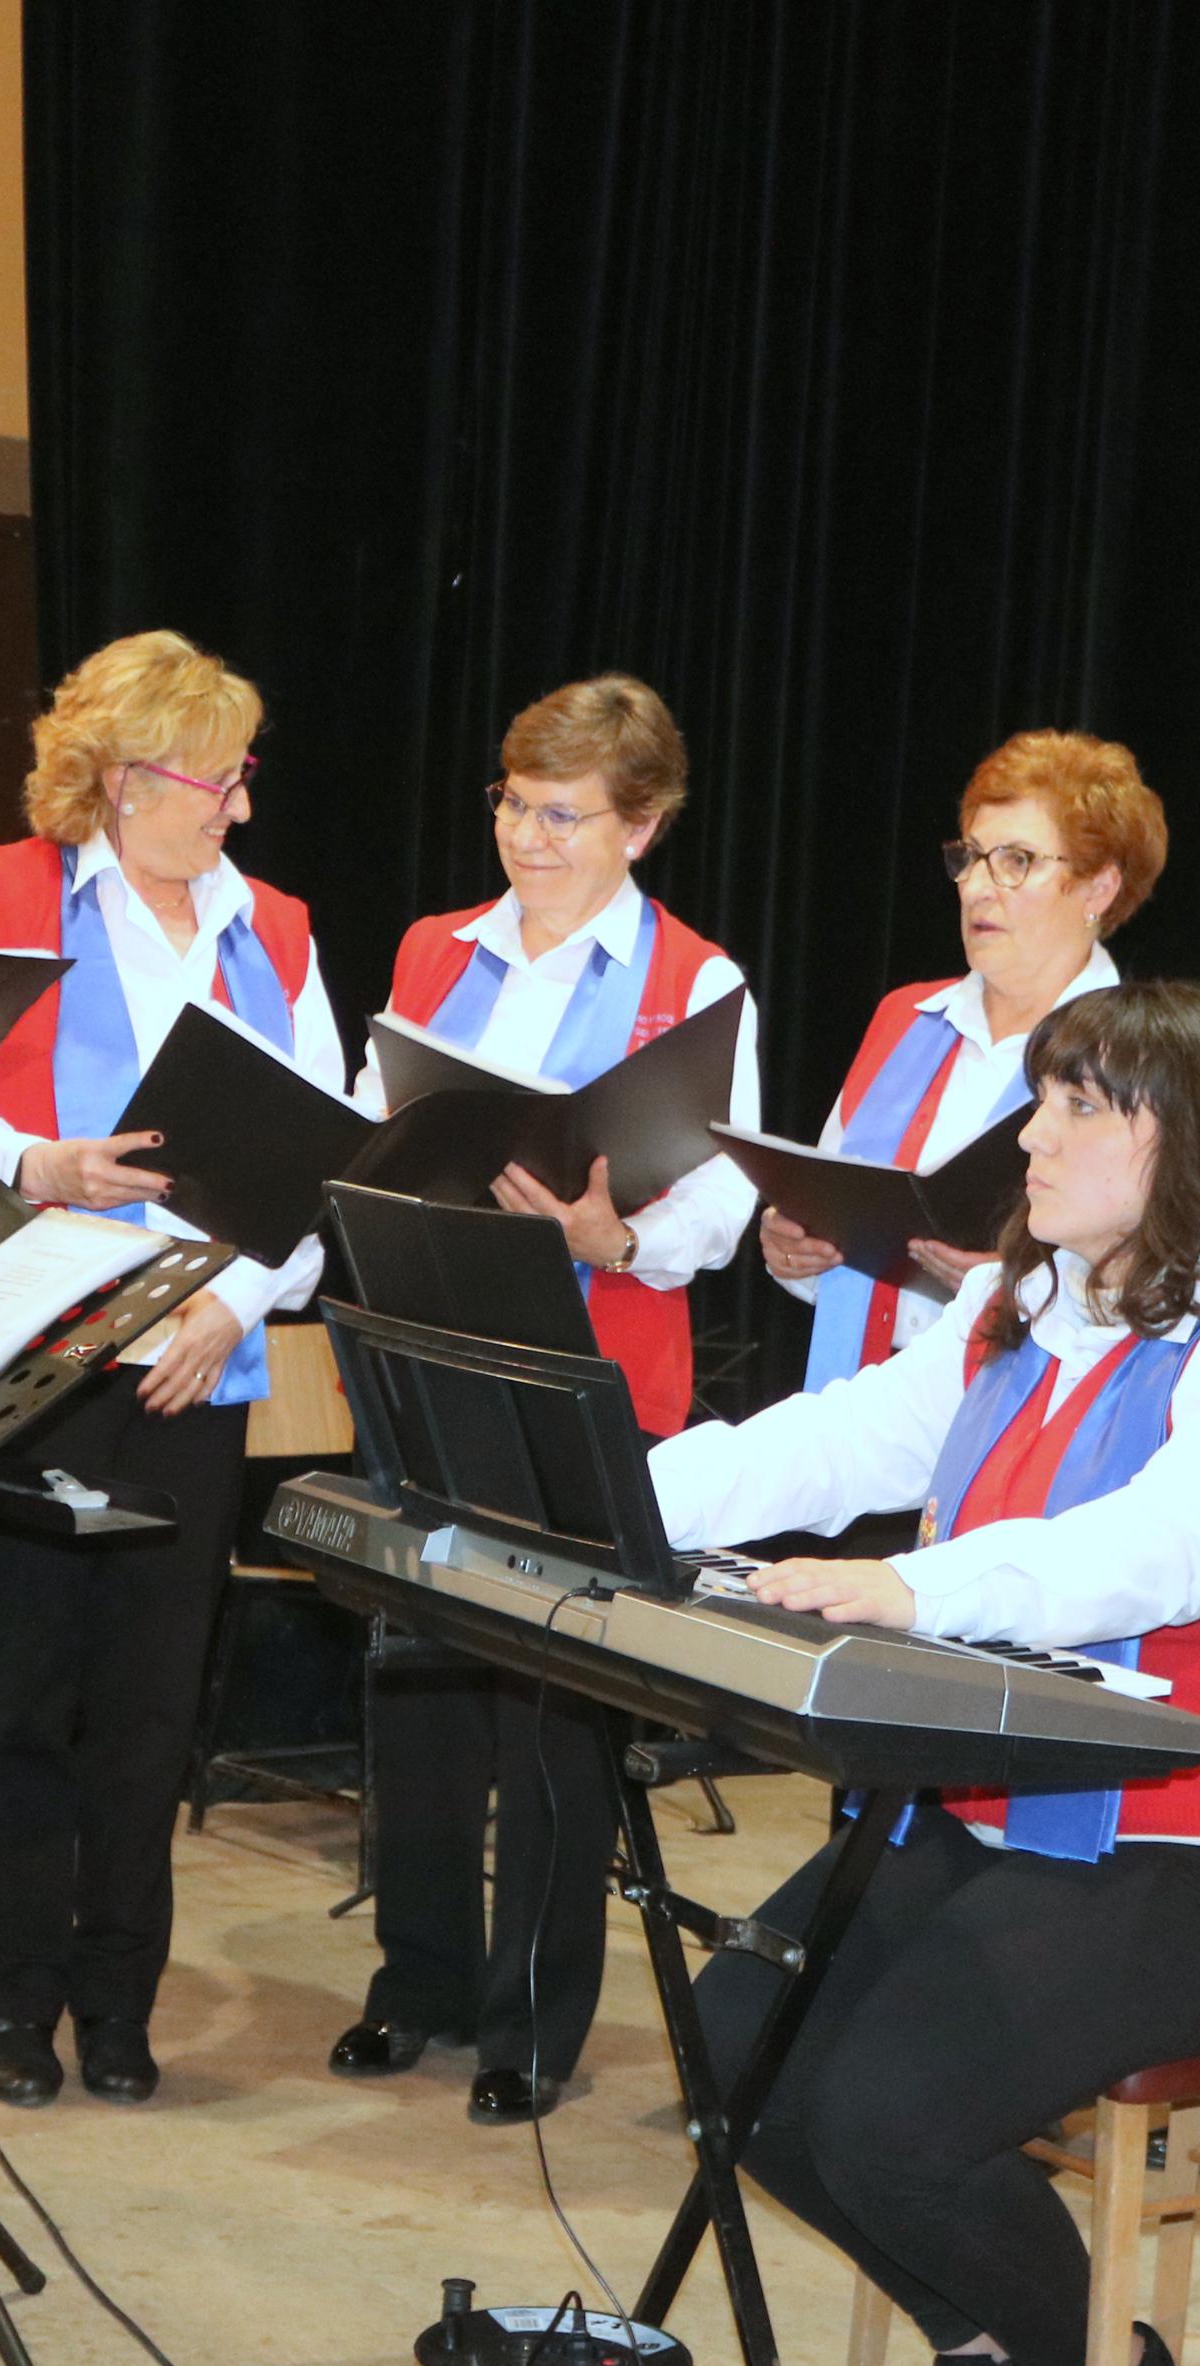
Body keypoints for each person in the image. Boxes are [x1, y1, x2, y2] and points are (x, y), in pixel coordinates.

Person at [654, 980, 1200, 2366]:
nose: (1027, 1137)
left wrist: (919, 1583)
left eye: (1072, 1106)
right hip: (992, 1815)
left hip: (1199, 1860)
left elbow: (1157, 1551)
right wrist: (606, 1490)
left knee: (885, 2116)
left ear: (1179, 1140)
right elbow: (835, 1437)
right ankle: (978, 2338)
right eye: (1037, 1097)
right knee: (736, 2043)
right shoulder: (1023, 1303)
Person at [0, 629, 344, 2110]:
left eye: (240, 777)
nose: (234, 807)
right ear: (115, 775)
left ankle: (118, 1995)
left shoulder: (273, 929)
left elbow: (316, 1155)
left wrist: (235, 1302)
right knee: (29, 1683)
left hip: (191, 1358)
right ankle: (14, 1993)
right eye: (210, 779)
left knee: (154, 1698)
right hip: (40, 1349)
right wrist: (38, 1159)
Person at [328, 674, 762, 2125]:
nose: (526, 835)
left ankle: (531, 2015)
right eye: (513, 803)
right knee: (424, 1678)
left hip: (592, 1365)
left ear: (639, 826)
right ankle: (419, 1979)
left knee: (558, 1700)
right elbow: (364, 1111)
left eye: (563, 814)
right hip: (428, 1345)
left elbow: (719, 1196)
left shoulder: (696, 982)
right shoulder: (433, 948)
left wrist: (613, 1237)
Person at [760, 731, 1147, 1384]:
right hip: (857, 1403)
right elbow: (838, 1212)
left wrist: (1027, 1285)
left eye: (1016, 860)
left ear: (1097, 888)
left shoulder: (1142, 1053)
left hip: (1030, 1408)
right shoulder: (905, 1018)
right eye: (970, 857)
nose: (975, 888)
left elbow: (1173, 1275)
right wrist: (795, 1248)